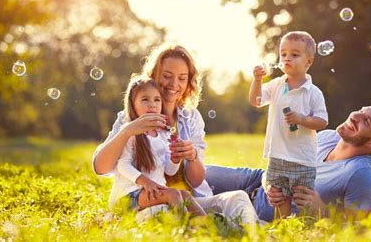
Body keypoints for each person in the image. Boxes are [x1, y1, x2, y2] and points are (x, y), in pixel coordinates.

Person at [93, 43, 259, 224]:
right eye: (167, 76)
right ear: (154, 75)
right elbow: (100, 168)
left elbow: (195, 181)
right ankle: (204, 228)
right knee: (167, 213)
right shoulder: (131, 117)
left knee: (238, 198)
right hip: (150, 203)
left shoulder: (190, 118)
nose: (174, 84)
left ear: (189, 82)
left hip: (189, 199)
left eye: (182, 78)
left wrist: (191, 156)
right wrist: (126, 131)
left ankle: (255, 234)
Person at [205, 100, 371, 222]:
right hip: (256, 180)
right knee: (193, 173)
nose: (355, 116)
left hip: (263, 211)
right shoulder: (328, 136)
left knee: (192, 205)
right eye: (361, 110)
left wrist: (322, 213)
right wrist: (268, 182)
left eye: (366, 121)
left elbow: (360, 232)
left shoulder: (362, 175)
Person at [249, 31, 328, 218]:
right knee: (279, 196)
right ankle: (284, 225)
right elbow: (256, 100)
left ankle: (309, 227)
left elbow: (322, 121)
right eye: (283, 54)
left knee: (302, 197)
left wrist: (302, 120)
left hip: (302, 157)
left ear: (308, 62)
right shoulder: (276, 85)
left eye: (294, 54)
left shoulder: (313, 93)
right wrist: (257, 80)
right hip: (277, 154)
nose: (286, 58)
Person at [110, 77, 206, 216]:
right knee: (173, 194)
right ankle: (184, 229)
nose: (152, 105)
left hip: (152, 192)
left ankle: (207, 225)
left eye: (157, 100)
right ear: (132, 104)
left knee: (185, 195)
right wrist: (146, 182)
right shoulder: (130, 131)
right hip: (128, 196)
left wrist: (175, 159)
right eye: (145, 100)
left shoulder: (163, 135)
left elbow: (170, 171)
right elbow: (122, 165)